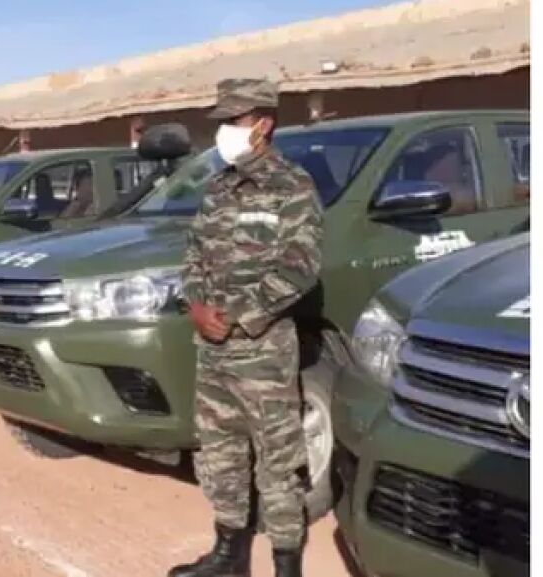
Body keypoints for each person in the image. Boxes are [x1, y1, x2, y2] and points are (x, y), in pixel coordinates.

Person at [170, 78, 323, 577]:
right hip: (212, 349)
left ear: (263, 124)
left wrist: (239, 316)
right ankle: (229, 557)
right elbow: (194, 253)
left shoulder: (292, 186)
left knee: (279, 463)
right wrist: (196, 304)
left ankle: (286, 566)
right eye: (222, 123)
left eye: (233, 122)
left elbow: (301, 266)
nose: (224, 132)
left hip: (262, 352)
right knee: (220, 455)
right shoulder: (219, 187)